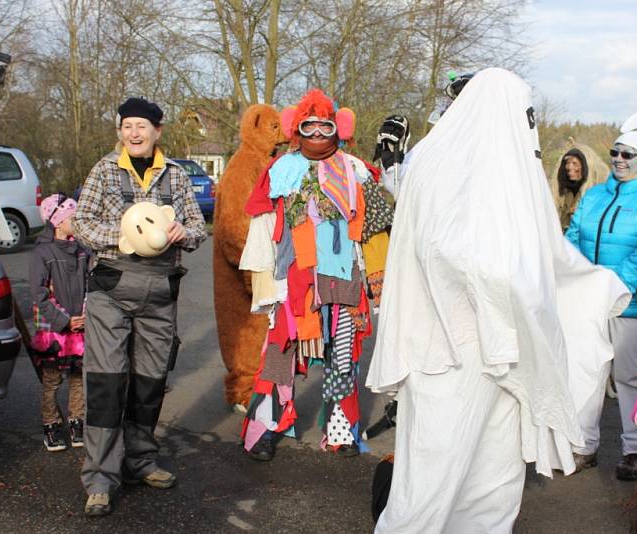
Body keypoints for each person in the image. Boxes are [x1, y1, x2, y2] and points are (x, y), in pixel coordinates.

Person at [366, 67, 629, 533]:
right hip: (452, 345)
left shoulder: (507, 164)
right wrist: (509, 298)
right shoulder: (442, 159)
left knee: (493, 478)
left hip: (504, 353)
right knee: (431, 478)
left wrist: (588, 281)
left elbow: (542, 248)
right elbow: (449, 250)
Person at [240, 89, 392, 461]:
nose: (319, 132)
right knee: (279, 353)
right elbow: (262, 227)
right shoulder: (279, 170)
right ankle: (264, 429)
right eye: (310, 125)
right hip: (292, 281)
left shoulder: (356, 171)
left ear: (338, 127)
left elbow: (374, 229)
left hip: (344, 279)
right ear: (297, 127)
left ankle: (341, 432)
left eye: (326, 124)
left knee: (343, 356)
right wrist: (264, 284)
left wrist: (379, 280)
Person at [74, 97, 207, 517]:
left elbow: (199, 228)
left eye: (142, 126)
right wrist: (131, 234)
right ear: (120, 132)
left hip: (159, 292)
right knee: (107, 385)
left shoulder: (177, 176)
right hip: (112, 288)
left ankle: (141, 461)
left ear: (157, 131)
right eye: (127, 126)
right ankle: (99, 478)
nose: (134, 133)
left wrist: (182, 231)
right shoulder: (104, 170)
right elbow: (81, 222)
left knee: (150, 384)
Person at [565, 110, 637, 480]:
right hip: (590, 302)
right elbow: (573, 237)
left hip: (631, 304)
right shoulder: (595, 195)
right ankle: (584, 445)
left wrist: (611, 286)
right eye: (615, 152)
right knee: (586, 373)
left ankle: (635, 449)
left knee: (629, 378)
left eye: (628, 154)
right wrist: (573, 275)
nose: (618, 160)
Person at [30, 193, 88, 452]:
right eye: (73, 216)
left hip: (80, 326)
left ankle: (78, 422)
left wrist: (85, 315)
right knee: (52, 381)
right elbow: (39, 294)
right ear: (59, 220)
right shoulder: (42, 253)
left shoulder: (83, 251)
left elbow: (90, 284)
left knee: (79, 378)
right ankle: (51, 426)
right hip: (55, 329)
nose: (77, 220)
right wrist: (65, 320)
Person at [548, 143, 609, 230]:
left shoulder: (592, 192)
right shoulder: (563, 192)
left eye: (575, 163)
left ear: (584, 166)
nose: (569, 167)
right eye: (567, 163)